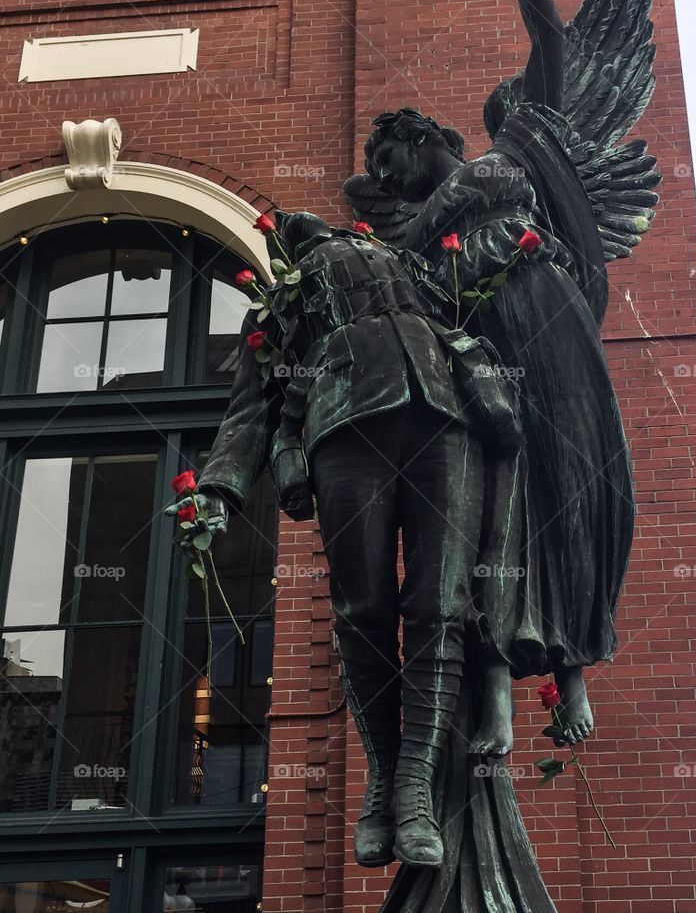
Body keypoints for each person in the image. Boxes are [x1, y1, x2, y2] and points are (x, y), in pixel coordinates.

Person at [347, 0, 637, 743]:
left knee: (570, 479)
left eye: (386, 160)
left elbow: (551, 40)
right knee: (493, 507)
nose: (381, 178)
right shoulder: (404, 230)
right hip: (486, 347)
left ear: (420, 138)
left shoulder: (517, 137)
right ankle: (501, 687)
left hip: (549, 313)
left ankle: (575, 674)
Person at [195, 213, 520, 871]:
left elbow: (489, 264)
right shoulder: (277, 302)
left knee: (440, 602)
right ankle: (383, 776)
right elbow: (251, 407)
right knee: (361, 609)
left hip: (443, 415)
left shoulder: (415, 265)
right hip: (343, 425)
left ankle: (414, 791)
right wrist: (219, 489)